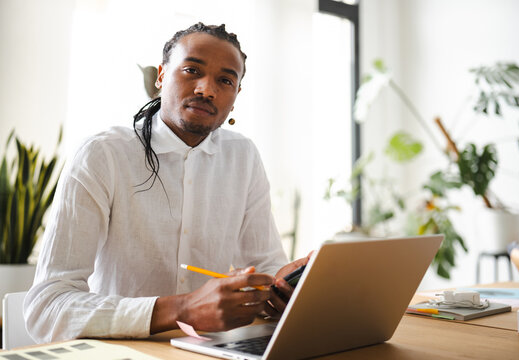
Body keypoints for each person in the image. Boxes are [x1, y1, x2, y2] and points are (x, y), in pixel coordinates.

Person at [24, 22, 310, 343]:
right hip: (123, 350)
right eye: (191, 70)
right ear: (161, 76)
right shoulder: (103, 154)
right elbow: (46, 306)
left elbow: (266, 265)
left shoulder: (243, 155)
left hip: (208, 350)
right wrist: (183, 308)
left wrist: (285, 285)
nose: (206, 89)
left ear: (236, 94)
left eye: (225, 80)